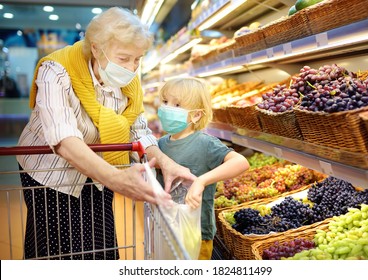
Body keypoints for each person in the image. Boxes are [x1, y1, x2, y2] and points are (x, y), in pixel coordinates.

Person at [16, 7, 195, 260]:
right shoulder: (56, 71)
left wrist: (166, 162)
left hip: (101, 171)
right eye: (124, 59)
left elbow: (138, 130)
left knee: (100, 243)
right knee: (59, 249)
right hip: (52, 173)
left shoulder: (128, 81)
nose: (132, 68)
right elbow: (64, 140)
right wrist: (117, 179)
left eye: (138, 59)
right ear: (97, 48)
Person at [156, 77, 250, 260]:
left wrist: (202, 180)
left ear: (196, 115)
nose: (167, 108)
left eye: (176, 105)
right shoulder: (159, 145)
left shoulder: (205, 143)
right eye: (165, 102)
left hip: (196, 232)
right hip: (166, 228)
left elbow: (241, 162)